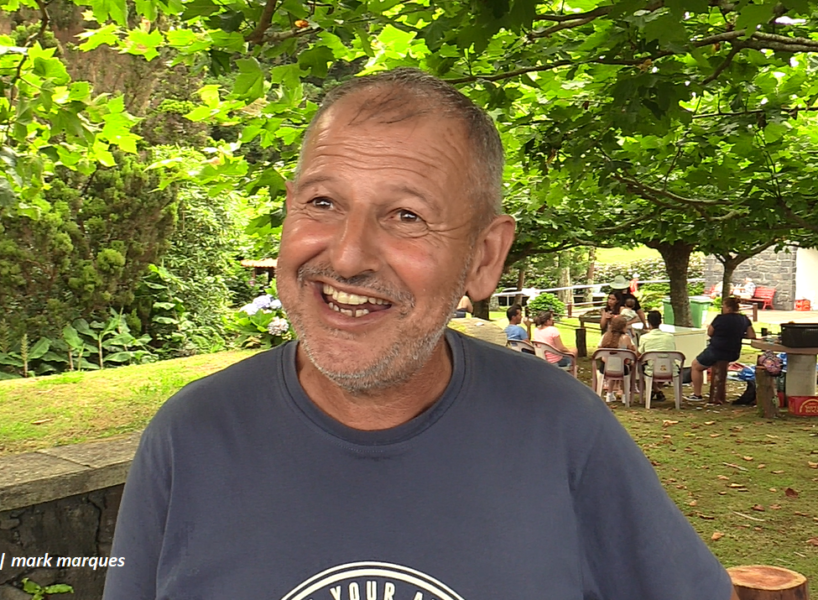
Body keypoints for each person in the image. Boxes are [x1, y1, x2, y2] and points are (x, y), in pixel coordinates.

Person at [104, 69, 737, 600]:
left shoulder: (562, 427)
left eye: (406, 215)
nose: (348, 256)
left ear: (485, 258)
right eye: (322, 203)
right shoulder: (189, 435)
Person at [687, 297, 757, 403]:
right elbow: (752, 335)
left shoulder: (720, 318)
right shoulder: (744, 319)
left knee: (696, 366)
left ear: (728, 307)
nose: (722, 308)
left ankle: (697, 394)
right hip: (733, 352)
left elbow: (710, 332)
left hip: (716, 350)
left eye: (723, 306)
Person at [639, 310, 678, 403]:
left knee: (642, 366)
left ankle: (655, 390)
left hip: (652, 369)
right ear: (660, 322)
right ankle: (656, 390)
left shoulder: (644, 337)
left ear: (648, 322)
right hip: (670, 369)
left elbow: (640, 354)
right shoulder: (670, 336)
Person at [598, 315, 638, 402]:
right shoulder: (626, 338)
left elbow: (599, 349)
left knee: (613, 366)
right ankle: (624, 395)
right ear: (624, 327)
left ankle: (609, 394)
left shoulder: (605, 336)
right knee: (626, 367)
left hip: (605, 368)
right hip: (622, 368)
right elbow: (633, 350)